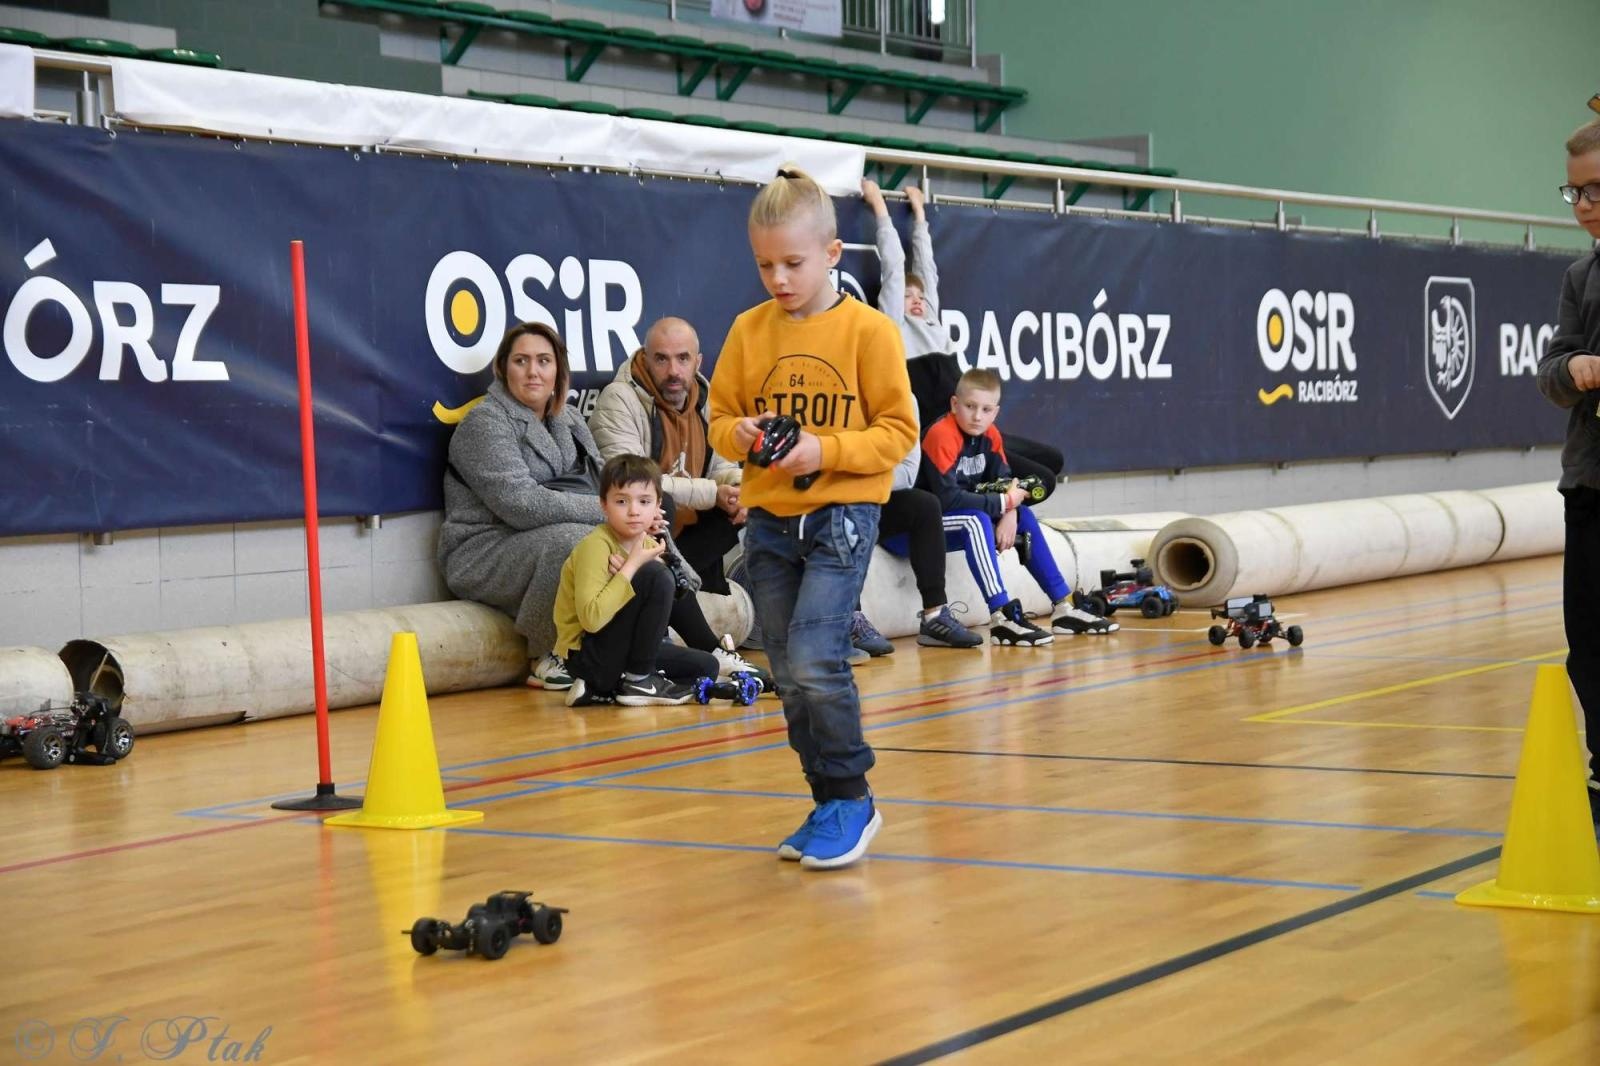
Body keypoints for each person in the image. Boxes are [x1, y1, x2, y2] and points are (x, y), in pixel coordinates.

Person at [708, 164, 918, 870]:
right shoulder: (747, 330)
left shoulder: (870, 332)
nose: (778, 278)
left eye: (792, 262)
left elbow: (898, 432)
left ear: (831, 255)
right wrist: (739, 437)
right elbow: (720, 418)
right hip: (770, 521)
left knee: (816, 657)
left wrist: (819, 449)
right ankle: (826, 796)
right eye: (765, 264)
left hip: (843, 515)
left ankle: (855, 797)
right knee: (788, 671)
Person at [438, 321, 619, 690]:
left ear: (558, 370)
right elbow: (523, 505)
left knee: (639, 517)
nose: (533, 371)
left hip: (541, 537)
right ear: (503, 369)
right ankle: (549, 655)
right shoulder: (485, 422)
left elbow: (609, 486)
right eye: (521, 361)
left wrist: (637, 520)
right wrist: (606, 515)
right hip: (484, 550)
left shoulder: (567, 418)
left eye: (543, 361)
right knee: (573, 540)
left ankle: (695, 645)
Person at [588, 317, 769, 683]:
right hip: (631, 538)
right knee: (657, 505)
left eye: (683, 359)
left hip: (681, 541)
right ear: (645, 357)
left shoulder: (707, 398)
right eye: (662, 359)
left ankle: (771, 632)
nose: (674, 371)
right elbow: (631, 486)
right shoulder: (619, 398)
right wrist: (713, 493)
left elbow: (723, 465)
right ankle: (702, 648)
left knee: (754, 502)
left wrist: (736, 489)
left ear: (698, 362)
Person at [865, 178, 1066, 496]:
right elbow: (893, 268)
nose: (917, 300)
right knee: (1044, 481)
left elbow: (927, 271)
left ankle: (989, 493)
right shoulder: (893, 327)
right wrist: (879, 207)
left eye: (919, 296)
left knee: (1053, 460)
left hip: (972, 433)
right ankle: (989, 499)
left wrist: (919, 215)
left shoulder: (931, 321)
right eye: (907, 296)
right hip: (944, 439)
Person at [923, 368, 1117, 645]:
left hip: (966, 514)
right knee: (975, 520)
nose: (977, 416)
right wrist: (1004, 503)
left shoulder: (990, 435)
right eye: (970, 407)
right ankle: (1001, 615)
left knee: (1023, 514)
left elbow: (1005, 483)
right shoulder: (941, 434)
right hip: (926, 525)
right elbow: (947, 499)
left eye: (986, 409)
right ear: (955, 405)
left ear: (996, 412)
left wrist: (1010, 511)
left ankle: (1063, 607)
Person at [1536, 115, 1600, 826]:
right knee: (1590, 647)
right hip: (1588, 488)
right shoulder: (1580, 277)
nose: (1584, 205)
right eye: (1574, 191)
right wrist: (1571, 370)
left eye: (1596, 189)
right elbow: (1550, 372)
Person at [554, 455, 720, 707]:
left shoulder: (649, 544)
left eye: (644, 502)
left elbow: (680, 592)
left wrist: (658, 561)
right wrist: (631, 568)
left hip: (626, 650)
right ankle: (638, 681)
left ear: (657, 507)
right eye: (621, 501)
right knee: (655, 575)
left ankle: (609, 688)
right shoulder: (595, 546)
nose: (634, 511)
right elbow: (591, 619)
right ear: (604, 505)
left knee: (707, 666)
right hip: (589, 657)